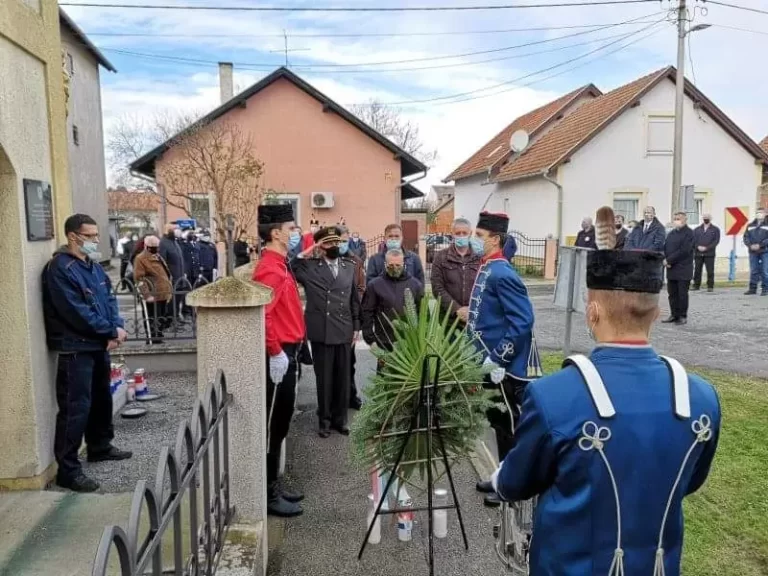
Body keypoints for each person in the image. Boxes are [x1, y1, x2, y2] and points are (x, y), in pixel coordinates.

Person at [490, 216, 720, 576]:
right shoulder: (702, 398)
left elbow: (518, 482)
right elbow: (689, 482)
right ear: (657, 313)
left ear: (592, 312)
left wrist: (499, 479)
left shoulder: (553, 396)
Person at [41, 214, 132, 493]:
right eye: (90, 236)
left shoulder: (93, 267)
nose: (95, 241)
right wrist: (109, 331)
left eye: (96, 236)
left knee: (101, 399)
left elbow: (108, 299)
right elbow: (74, 312)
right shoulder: (60, 268)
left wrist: (116, 327)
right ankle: (68, 470)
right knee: (75, 408)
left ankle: (99, 445)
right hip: (75, 347)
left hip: (97, 344)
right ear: (73, 236)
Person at [467, 211, 541, 507]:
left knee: (510, 428)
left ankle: (510, 487)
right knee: (499, 424)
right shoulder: (488, 268)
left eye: (479, 236)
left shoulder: (502, 272)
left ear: (495, 239)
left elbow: (523, 322)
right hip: (490, 363)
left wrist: (499, 358)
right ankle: (502, 476)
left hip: (506, 369)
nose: (475, 240)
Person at [253, 204, 306, 518]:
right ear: (275, 233)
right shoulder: (269, 269)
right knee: (274, 424)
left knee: (282, 422)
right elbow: (264, 316)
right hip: (281, 353)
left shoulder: (281, 264)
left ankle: (275, 484)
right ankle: (269, 493)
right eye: (291, 229)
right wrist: (274, 352)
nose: (294, 233)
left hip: (290, 351)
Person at [292, 226, 361, 438]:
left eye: (337, 243)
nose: (334, 247)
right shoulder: (310, 267)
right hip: (321, 330)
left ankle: (341, 421)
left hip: (343, 328)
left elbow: (353, 300)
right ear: (322, 246)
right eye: (329, 243)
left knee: (342, 377)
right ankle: (324, 421)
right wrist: (310, 248)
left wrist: (356, 327)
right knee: (324, 379)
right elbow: (291, 265)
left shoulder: (349, 266)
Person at [362, 249, 424, 360]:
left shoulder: (416, 285)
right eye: (391, 265)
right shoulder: (375, 285)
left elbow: (423, 314)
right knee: (384, 375)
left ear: (403, 264)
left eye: (397, 265)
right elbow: (367, 313)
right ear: (385, 264)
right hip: (384, 341)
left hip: (410, 341)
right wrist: (370, 340)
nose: (394, 268)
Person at [430, 218, 482, 327]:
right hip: (449, 320)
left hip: (475, 318)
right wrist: (456, 309)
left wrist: (471, 310)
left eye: (464, 233)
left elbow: (484, 286)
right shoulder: (440, 257)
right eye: (458, 233)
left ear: (470, 234)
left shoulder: (480, 258)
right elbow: (437, 287)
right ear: (452, 234)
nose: (461, 236)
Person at [340, 227, 366, 410]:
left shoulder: (355, 261)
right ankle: (334, 398)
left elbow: (361, 287)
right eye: (338, 240)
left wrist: (354, 304)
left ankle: (351, 395)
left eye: (344, 240)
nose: (341, 244)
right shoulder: (325, 259)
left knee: (350, 361)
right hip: (332, 317)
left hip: (349, 317)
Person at [133, 235, 173, 344]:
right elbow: (139, 278)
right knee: (152, 317)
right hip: (152, 293)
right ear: (146, 246)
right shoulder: (140, 258)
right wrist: (146, 295)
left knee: (160, 316)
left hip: (162, 292)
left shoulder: (157, 256)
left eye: (156, 246)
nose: (155, 248)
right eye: (153, 246)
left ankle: (159, 335)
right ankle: (153, 338)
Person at [663, 212, 695, 325]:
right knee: (672, 294)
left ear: (685, 220)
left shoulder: (689, 233)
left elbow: (684, 251)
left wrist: (669, 260)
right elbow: (665, 247)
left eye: (679, 219)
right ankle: (674, 314)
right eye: (675, 218)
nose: (677, 220)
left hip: (683, 268)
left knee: (682, 294)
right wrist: (666, 260)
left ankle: (682, 316)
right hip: (671, 268)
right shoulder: (671, 233)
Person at [691, 213, 720, 292]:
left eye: (707, 217)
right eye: (704, 217)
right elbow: (692, 241)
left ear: (710, 218)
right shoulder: (697, 229)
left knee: (710, 271)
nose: (706, 219)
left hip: (709, 254)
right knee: (697, 270)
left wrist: (707, 248)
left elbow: (716, 241)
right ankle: (696, 285)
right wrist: (698, 247)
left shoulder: (715, 229)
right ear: (702, 218)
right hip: (698, 253)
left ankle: (710, 286)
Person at [744, 208, 768, 295]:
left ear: (765, 214)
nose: (759, 214)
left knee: (765, 271)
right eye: (757, 212)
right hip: (753, 251)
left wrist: (760, 245)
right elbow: (746, 237)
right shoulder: (750, 225)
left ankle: (765, 289)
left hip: (764, 251)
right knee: (754, 270)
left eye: (761, 212)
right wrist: (750, 245)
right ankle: (752, 289)